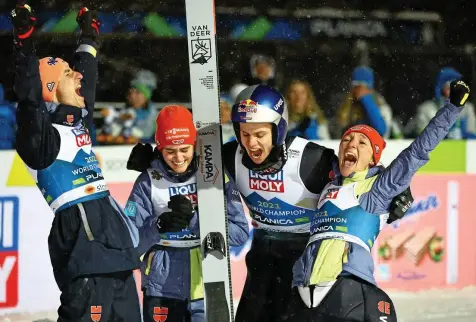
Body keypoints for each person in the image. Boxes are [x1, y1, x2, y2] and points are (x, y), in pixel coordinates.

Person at [126, 84, 413, 321]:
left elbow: (358, 167)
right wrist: (153, 157)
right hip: (262, 260)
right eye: (245, 134)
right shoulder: (231, 157)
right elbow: (187, 158)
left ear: (279, 130)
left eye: (260, 134)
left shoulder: (310, 159)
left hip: (303, 264)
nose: (251, 144)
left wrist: (399, 189)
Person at [289, 80, 471, 322]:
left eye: (361, 143)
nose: (351, 144)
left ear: (372, 158)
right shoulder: (323, 185)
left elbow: (418, 151)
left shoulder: (377, 189)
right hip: (304, 289)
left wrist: (452, 108)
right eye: (346, 140)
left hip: (348, 287)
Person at [12, 4, 144, 320]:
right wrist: (24, 41)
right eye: (70, 74)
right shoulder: (41, 141)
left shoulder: (77, 122)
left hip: (116, 251)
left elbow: (89, 72)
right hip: (85, 250)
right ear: (51, 89)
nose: (79, 75)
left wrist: (89, 35)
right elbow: (29, 101)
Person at [126, 105, 249, 322]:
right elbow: (129, 243)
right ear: (159, 148)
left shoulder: (213, 175)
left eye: (184, 149)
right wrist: (157, 227)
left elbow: (239, 233)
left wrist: (195, 220)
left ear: (195, 145)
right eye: (170, 151)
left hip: (207, 283)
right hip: (161, 287)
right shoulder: (147, 181)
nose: (178, 157)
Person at [406, 67, 476, 139]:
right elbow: (420, 136)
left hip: (462, 149)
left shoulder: (467, 108)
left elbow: (473, 135)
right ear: (442, 90)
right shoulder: (426, 109)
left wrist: (464, 135)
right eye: (449, 88)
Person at [336, 66, 392, 138]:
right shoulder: (348, 104)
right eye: (356, 86)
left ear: (370, 88)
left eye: (363, 86)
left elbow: (382, 130)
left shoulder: (381, 104)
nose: (359, 90)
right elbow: (338, 133)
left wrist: (366, 99)